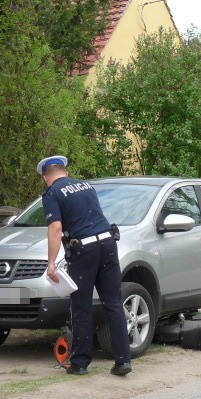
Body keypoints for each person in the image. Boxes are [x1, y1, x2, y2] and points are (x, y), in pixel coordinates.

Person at [37, 155, 132, 376]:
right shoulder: (86, 186)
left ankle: (80, 363)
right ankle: (123, 361)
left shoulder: (52, 193)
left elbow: (55, 228)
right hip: (108, 244)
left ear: (46, 177)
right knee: (114, 304)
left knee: (81, 306)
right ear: (65, 172)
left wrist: (51, 263)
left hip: (84, 250)